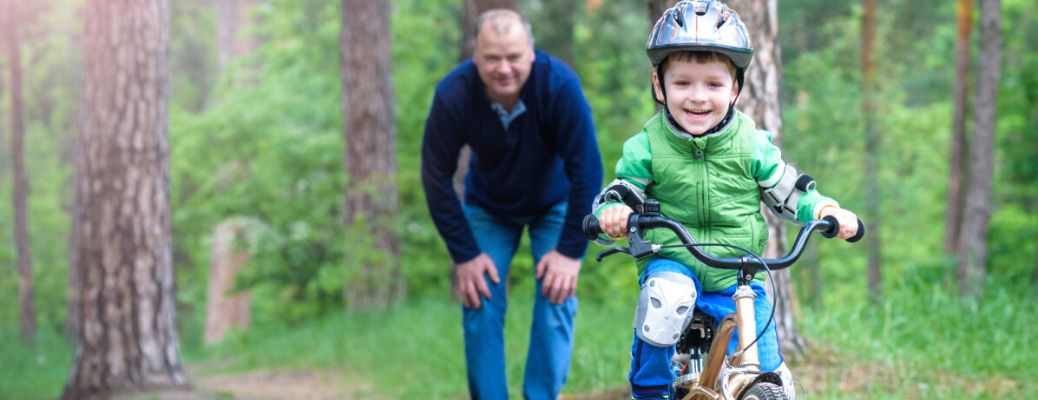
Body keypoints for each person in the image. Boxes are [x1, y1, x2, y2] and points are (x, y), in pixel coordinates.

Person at [591, 1, 860, 399]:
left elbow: (787, 189)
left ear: (734, 89)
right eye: (683, 83)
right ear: (658, 86)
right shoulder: (647, 144)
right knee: (666, 297)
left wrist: (824, 210)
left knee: (769, 373)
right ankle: (649, 392)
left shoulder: (751, 144)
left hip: (739, 271)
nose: (698, 97)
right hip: (673, 260)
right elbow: (621, 190)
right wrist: (614, 212)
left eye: (713, 85)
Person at [420, 9, 604, 400]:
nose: (504, 68)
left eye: (514, 57)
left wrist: (570, 253)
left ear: (531, 54)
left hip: (556, 202)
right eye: (492, 58)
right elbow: (435, 177)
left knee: (557, 293)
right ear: (475, 56)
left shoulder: (559, 86)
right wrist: (464, 254)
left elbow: (588, 171)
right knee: (478, 295)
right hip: (488, 206)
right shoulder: (453, 95)